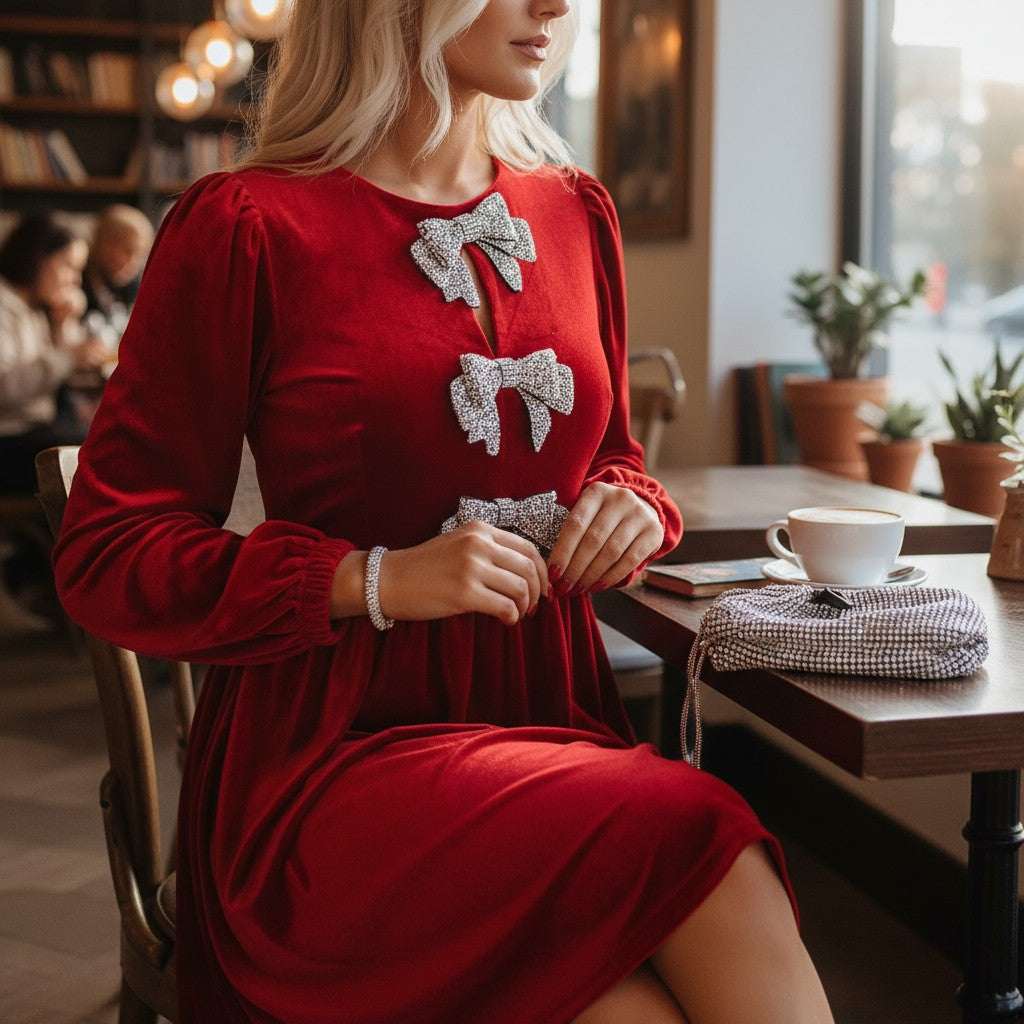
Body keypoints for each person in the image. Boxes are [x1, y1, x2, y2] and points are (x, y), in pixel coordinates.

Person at [52, 1, 835, 1021]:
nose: (557, 4)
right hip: (330, 772)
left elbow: (609, 456)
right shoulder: (247, 224)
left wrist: (633, 505)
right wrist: (367, 577)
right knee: (707, 831)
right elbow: (106, 552)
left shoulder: (575, 213)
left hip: (550, 729)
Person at [0, 213, 108, 493]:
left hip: (33, 432)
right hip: (9, 439)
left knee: (106, 437)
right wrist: (70, 356)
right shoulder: (4, 306)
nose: (74, 280)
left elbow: (63, 369)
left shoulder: (35, 308)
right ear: (36, 258)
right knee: (104, 445)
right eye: (68, 267)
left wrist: (65, 322)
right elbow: (5, 387)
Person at [81, 203, 154, 344]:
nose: (136, 263)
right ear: (104, 245)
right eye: (130, 252)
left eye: (141, 254)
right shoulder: (78, 283)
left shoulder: (133, 285)